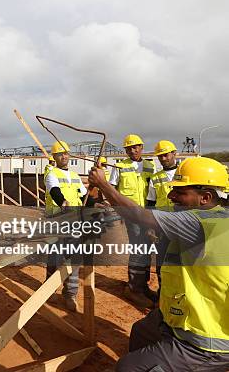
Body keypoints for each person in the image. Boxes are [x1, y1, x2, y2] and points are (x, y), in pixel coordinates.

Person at [88, 157, 229, 372]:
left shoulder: (199, 222)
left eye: (180, 192)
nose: (171, 195)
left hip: (204, 340)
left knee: (127, 368)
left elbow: (139, 215)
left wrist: (104, 185)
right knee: (142, 331)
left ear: (205, 197)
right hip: (183, 313)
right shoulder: (215, 218)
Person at [108, 134, 156, 307]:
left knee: (147, 248)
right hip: (131, 215)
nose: (132, 150)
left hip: (148, 214)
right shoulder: (119, 166)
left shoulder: (150, 166)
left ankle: (142, 286)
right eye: (129, 148)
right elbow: (111, 189)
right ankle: (134, 289)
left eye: (135, 147)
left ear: (141, 147)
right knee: (138, 248)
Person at [44, 141, 90, 312]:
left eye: (66, 153)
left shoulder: (75, 175)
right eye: (60, 154)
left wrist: (96, 203)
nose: (64, 156)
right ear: (55, 157)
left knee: (74, 258)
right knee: (54, 256)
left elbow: (84, 195)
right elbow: (55, 191)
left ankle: (70, 293)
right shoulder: (51, 173)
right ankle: (48, 287)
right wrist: (63, 202)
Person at [147, 140, 178, 291]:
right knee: (161, 262)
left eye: (166, 155)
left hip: (181, 224)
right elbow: (151, 203)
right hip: (162, 225)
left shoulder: (183, 174)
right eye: (160, 156)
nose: (163, 159)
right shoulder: (155, 177)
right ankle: (162, 295)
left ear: (174, 153)